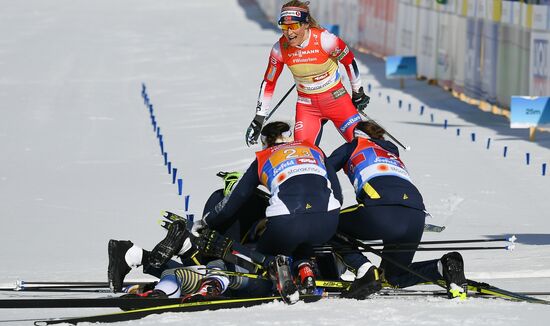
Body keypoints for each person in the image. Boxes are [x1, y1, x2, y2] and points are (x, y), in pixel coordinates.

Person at [202, 121, 342, 303]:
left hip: (286, 223)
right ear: (290, 135)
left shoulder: (262, 158)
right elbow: (338, 195)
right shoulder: (313, 149)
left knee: (264, 255)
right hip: (327, 222)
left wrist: (206, 222)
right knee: (302, 242)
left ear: (264, 141)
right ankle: (304, 267)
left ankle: (277, 266)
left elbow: (233, 203)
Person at [326, 121, 468, 299]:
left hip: (382, 211)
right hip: (416, 215)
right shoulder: (391, 150)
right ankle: (443, 266)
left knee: (327, 225)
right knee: (394, 277)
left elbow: (324, 168)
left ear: (358, 135)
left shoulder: (354, 145)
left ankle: (364, 269)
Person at [245, 0, 370, 147]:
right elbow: (269, 82)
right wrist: (259, 118)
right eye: (284, 26)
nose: (289, 32)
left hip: (337, 100)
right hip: (307, 107)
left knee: (362, 145)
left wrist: (358, 92)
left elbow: (349, 62)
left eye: (294, 26)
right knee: (303, 152)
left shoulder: (325, 40)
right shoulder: (279, 49)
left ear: (305, 24)